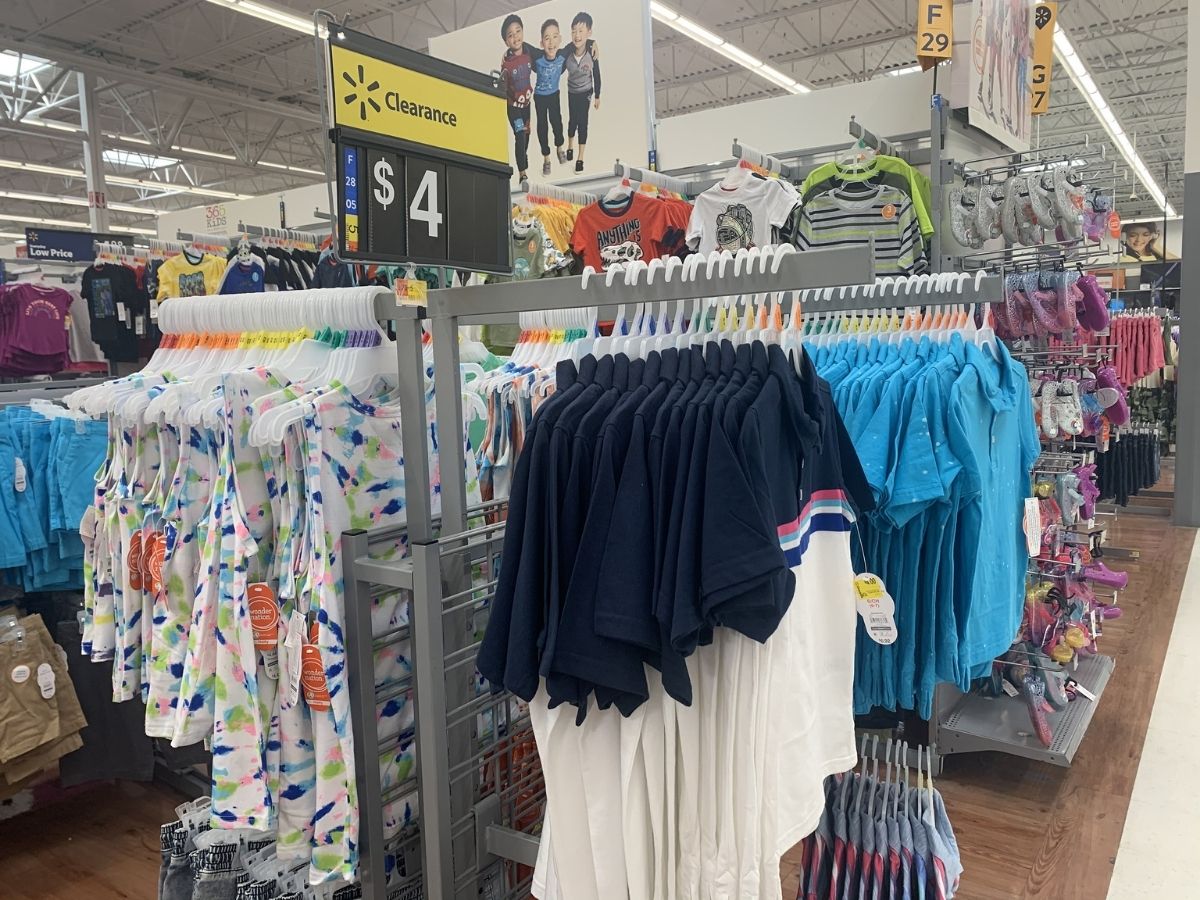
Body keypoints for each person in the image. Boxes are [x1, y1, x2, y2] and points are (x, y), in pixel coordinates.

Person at [500, 14, 542, 183]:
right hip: (514, 108)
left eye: (518, 31)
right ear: (506, 42)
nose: (515, 36)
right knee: (520, 134)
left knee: (527, 135)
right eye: (510, 35)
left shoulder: (529, 51)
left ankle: (522, 157)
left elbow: (546, 54)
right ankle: (522, 173)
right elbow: (502, 86)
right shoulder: (506, 63)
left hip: (526, 106)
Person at [565, 12, 601, 174]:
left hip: (586, 91)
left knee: (583, 122)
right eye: (574, 31)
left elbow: (597, 75)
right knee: (573, 120)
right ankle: (570, 145)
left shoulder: (592, 53)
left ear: (589, 32)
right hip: (572, 91)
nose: (577, 35)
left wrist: (597, 96)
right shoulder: (567, 51)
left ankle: (580, 158)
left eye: (581, 31)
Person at [532, 19, 569, 177]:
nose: (551, 42)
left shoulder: (563, 55)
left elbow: (579, 44)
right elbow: (522, 47)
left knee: (556, 122)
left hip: (554, 95)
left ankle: (559, 147)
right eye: (547, 38)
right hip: (540, 97)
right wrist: (507, 53)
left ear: (560, 39)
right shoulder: (537, 57)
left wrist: (592, 43)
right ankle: (546, 157)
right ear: (541, 43)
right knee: (542, 126)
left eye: (555, 37)